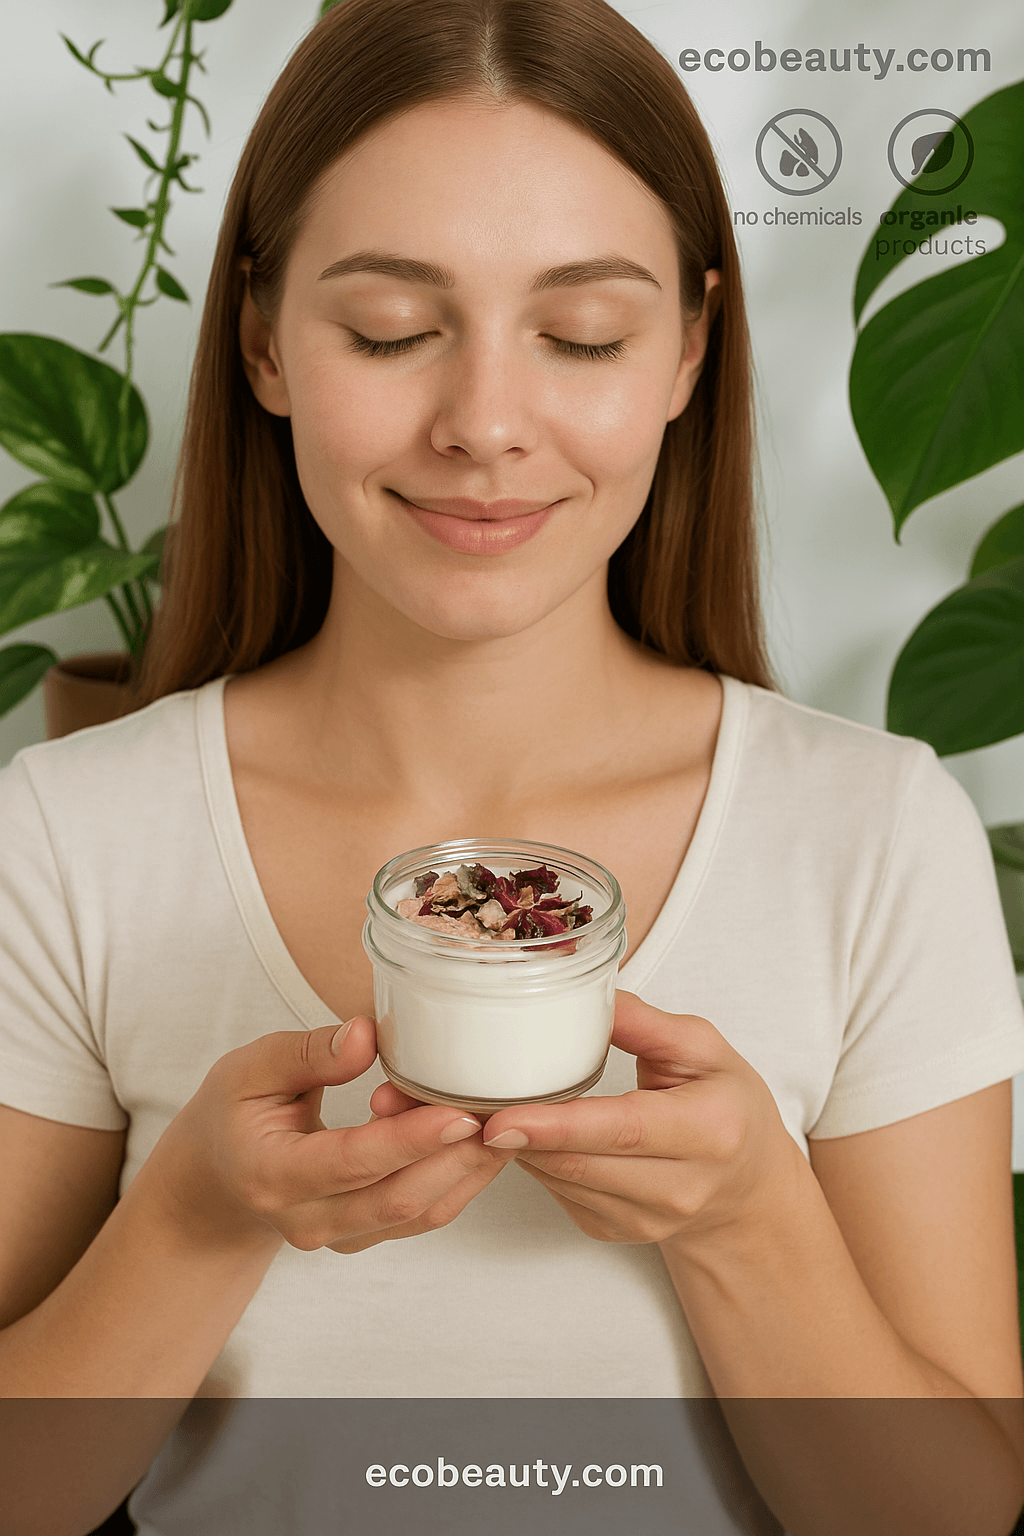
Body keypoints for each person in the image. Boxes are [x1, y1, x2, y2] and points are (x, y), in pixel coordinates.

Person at [1, 1, 1022, 1532]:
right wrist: (200, 1221)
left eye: (584, 336)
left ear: (689, 346)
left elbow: (952, 1515)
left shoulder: (873, 838)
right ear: (266, 340)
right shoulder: (69, 839)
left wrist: (750, 1228)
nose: (484, 422)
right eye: (394, 331)